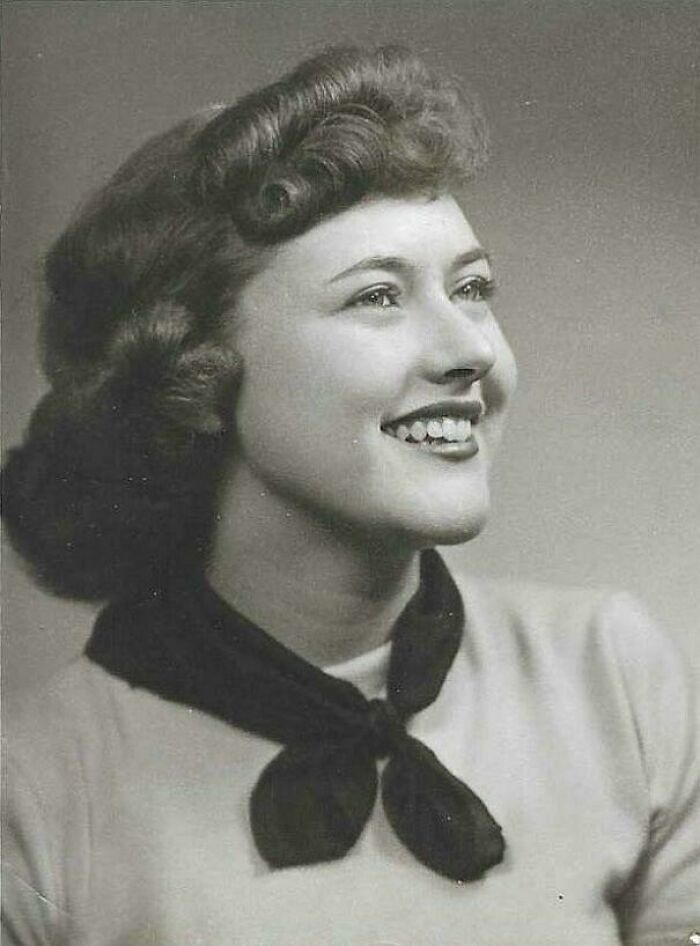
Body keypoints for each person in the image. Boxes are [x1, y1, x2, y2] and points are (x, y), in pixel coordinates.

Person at [1, 45, 698, 946]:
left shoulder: (613, 676)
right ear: (195, 375)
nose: (470, 349)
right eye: (377, 296)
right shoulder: (32, 793)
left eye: (473, 289)